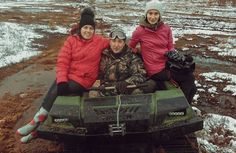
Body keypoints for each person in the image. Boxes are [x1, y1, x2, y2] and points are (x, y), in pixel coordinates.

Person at [16, 7, 109, 143]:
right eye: (85, 28)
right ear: (80, 28)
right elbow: (62, 62)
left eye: (91, 28)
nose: (88, 31)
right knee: (56, 87)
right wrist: (62, 80)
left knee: (55, 92)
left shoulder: (99, 41)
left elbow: (117, 43)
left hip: (84, 80)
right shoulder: (71, 41)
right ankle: (37, 127)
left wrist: (137, 48)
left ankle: (36, 123)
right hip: (71, 77)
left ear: (94, 29)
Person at [129, 0, 196, 104]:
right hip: (155, 70)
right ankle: (181, 107)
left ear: (160, 15)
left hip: (167, 64)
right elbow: (130, 47)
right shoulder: (140, 31)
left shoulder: (166, 29)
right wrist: (139, 51)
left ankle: (184, 105)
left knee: (190, 78)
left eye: (156, 13)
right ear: (146, 14)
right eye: (150, 13)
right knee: (189, 78)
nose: (153, 17)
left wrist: (174, 55)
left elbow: (170, 47)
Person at [99, 28, 156, 96]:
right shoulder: (103, 56)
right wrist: (100, 84)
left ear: (124, 43)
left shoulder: (132, 57)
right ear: (110, 42)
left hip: (127, 91)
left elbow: (140, 74)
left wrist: (126, 82)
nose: (116, 45)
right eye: (114, 41)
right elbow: (96, 74)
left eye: (120, 42)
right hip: (108, 91)